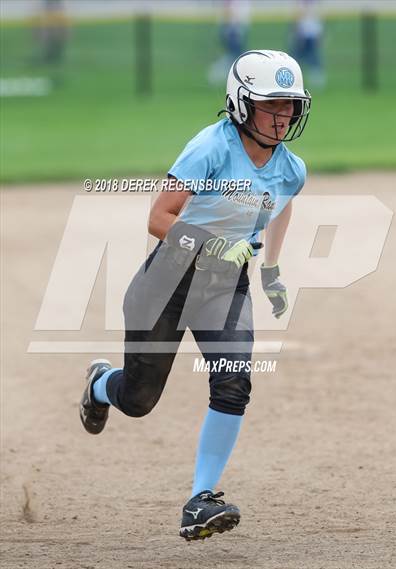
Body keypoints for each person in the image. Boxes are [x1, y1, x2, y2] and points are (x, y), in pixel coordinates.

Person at [79, 49, 311, 541]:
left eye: (290, 104)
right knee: (139, 400)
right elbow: (158, 218)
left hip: (226, 286)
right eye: (272, 103)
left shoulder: (291, 168)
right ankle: (102, 383)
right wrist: (213, 244)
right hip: (168, 280)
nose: (284, 114)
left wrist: (269, 270)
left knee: (234, 382)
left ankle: (200, 500)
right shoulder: (210, 146)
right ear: (241, 103)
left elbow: (280, 206)